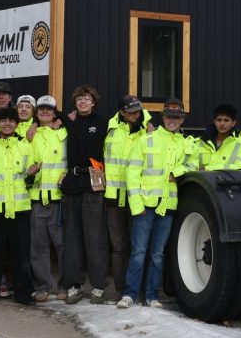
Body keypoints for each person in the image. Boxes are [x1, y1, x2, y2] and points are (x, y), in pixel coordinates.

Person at [118, 98, 194, 309]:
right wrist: (136, 204)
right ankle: (130, 294)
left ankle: (152, 296)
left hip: (168, 206)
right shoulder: (146, 140)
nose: (172, 121)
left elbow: (194, 163)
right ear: (163, 117)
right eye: (169, 117)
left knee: (158, 254)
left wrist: (176, 172)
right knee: (138, 251)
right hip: (144, 205)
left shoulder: (187, 143)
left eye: (177, 118)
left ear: (182, 119)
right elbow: (132, 172)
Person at [0, 106, 38, 305]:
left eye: (12, 120)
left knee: (21, 255)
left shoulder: (25, 146)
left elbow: (31, 178)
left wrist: (33, 175)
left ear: (17, 124)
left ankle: (23, 294)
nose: (8, 124)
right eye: (4, 120)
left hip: (19, 208)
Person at [60, 84, 109, 304]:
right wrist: (33, 124)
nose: (82, 102)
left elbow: (133, 118)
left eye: (86, 99)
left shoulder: (103, 123)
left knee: (94, 237)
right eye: (79, 99)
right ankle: (74, 286)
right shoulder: (68, 123)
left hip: (93, 185)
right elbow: (43, 116)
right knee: (71, 238)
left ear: (93, 102)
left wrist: (148, 124)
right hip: (71, 184)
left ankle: (98, 286)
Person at [103, 94, 152, 298]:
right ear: (122, 112)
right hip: (114, 196)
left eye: (138, 110)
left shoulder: (149, 131)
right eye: (130, 111)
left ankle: (138, 290)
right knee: (117, 247)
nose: (135, 114)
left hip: (137, 197)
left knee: (138, 246)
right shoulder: (109, 127)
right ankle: (120, 289)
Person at [28, 95, 66, 302]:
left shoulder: (63, 133)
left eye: (49, 109)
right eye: (41, 109)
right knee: (38, 246)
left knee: (62, 245)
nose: (45, 112)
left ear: (54, 112)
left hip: (57, 199)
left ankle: (63, 286)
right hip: (36, 198)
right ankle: (43, 287)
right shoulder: (29, 135)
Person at [195, 103, 241, 170]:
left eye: (226, 120)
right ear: (214, 122)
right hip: (202, 180)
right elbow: (191, 164)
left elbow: (240, 168)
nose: (222, 124)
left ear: (233, 123)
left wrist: (207, 169)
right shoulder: (200, 142)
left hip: (228, 180)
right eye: (219, 120)